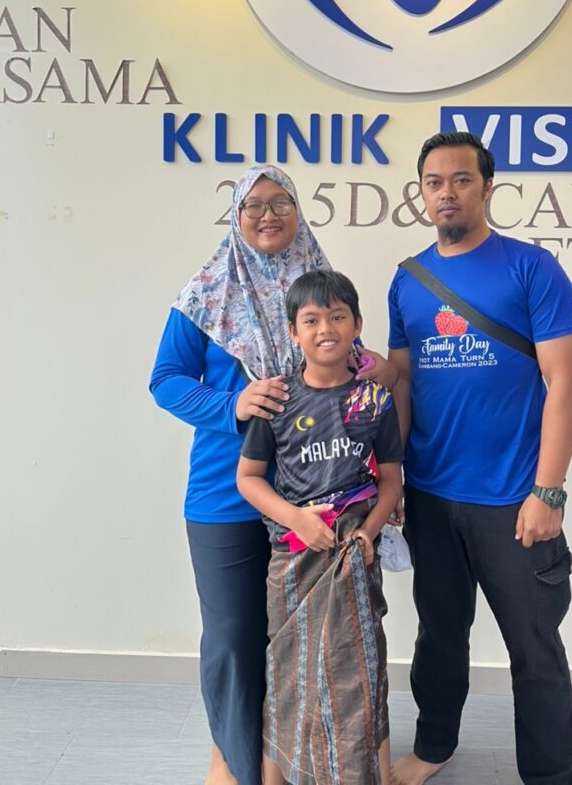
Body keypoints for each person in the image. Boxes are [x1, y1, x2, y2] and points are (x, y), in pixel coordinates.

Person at [149, 166, 395, 785]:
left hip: (319, 500)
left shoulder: (318, 289)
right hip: (227, 492)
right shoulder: (204, 296)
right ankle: (230, 759)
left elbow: (357, 374)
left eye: (281, 202)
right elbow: (166, 381)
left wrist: (372, 374)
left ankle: (294, 757)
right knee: (234, 636)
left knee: (304, 638)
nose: (268, 214)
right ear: (235, 215)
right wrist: (231, 404)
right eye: (254, 204)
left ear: (298, 212)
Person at [388, 132, 572, 785]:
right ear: (422, 192)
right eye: (434, 182)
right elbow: (402, 383)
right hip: (432, 496)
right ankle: (433, 747)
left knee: (535, 649)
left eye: (462, 179)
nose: (447, 192)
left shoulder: (531, 268)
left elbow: (564, 383)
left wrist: (548, 491)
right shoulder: (408, 280)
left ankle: (549, 777)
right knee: (439, 636)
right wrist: (393, 481)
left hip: (514, 501)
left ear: (487, 187)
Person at [237, 270, 403, 785]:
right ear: (293, 331)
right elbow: (249, 478)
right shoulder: (277, 400)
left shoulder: (374, 400)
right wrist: (297, 520)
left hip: (352, 557)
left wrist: (367, 532)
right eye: (311, 320)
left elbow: (392, 481)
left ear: (357, 325)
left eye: (337, 317)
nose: (325, 329)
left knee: (361, 672)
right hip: (292, 559)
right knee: (288, 670)